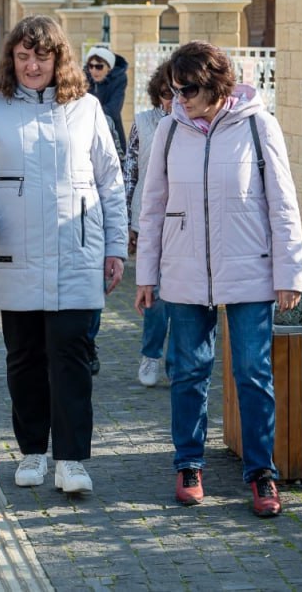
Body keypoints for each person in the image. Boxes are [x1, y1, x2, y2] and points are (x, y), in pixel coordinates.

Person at [0, 14, 127, 498]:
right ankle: (33, 450)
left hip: (77, 253)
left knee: (72, 355)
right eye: (24, 56)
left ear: (59, 58)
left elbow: (111, 185)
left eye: (42, 56)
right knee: (25, 357)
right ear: (11, 58)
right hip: (14, 252)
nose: (32, 65)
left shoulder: (89, 109)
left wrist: (115, 246)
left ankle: (71, 459)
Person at [134, 40, 302, 518]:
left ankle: (261, 473)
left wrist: (290, 272)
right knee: (188, 371)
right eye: (174, 90)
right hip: (186, 271)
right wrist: (146, 274)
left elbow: (284, 204)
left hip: (251, 267)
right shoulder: (169, 130)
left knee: (253, 373)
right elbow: (152, 209)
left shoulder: (257, 125)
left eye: (188, 90)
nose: (179, 98)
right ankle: (188, 464)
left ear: (215, 85)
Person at [126, 60, 173, 389]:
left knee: (183, 297)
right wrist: (126, 221)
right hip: (147, 218)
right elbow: (130, 172)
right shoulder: (143, 122)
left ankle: (178, 361)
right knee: (153, 295)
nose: (173, 99)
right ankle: (152, 355)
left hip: (186, 223)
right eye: (166, 93)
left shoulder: (199, 124)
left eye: (180, 92)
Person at [84, 45, 129, 157]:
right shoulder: (83, 79)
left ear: (109, 67)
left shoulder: (119, 79)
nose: (94, 70)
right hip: (87, 133)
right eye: (91, 66)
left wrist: (88, 113)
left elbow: (113, 109)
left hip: (112, 133)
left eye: (99, 67)